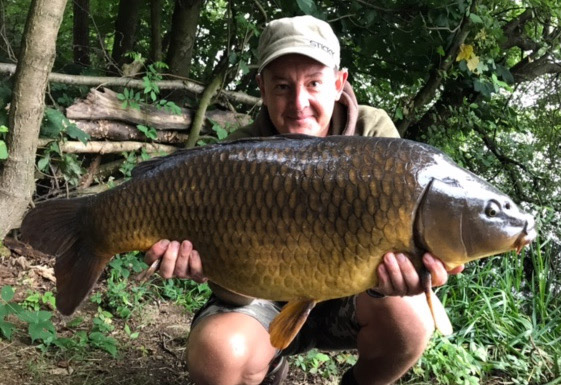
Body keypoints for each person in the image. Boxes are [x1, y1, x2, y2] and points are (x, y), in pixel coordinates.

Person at [144, 15, 464, 385]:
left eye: (314, 83)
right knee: (218, 356)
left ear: (338, 83)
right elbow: (235, 294)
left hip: (352, 293)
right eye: (282, 86)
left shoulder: (376, 139)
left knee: (410, 321)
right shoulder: (234, 157)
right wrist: (208, 266)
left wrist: (394, 280)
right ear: (261, 88)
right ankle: (266, 364)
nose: (299, 103)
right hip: (261, 295)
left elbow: (406, 250)